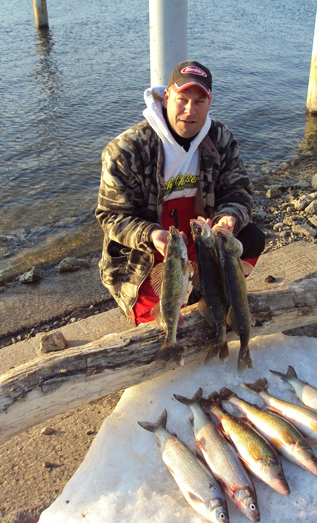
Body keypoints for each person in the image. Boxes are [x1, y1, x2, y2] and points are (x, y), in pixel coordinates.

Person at [96, 60, 265, 325]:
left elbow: (238, 192)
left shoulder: (221, 139)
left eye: (199, 101)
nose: (190, 110)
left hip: (201, 240)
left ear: (210, 102)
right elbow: (111, 216)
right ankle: (184, 301)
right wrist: (152, 235)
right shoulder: (125, 150)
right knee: (161, 323)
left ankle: (208, 295)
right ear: (166, 97)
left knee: (251, 238)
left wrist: (228, 218)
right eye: (182, 99)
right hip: (149, 256)